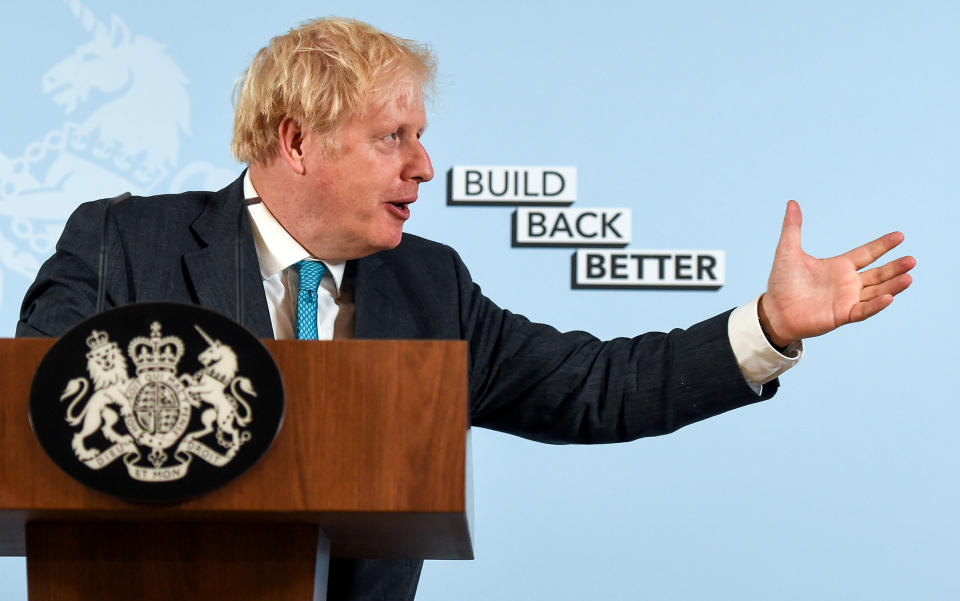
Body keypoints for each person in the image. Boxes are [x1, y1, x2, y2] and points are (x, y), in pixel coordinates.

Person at [16, 17, 915, 601]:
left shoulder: (429, 283)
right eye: (393, 139)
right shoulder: (120, 243)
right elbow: (29, 412)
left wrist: (770, 326)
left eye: (421, 137)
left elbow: (596, 387)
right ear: (296, 141)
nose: (424, 168)